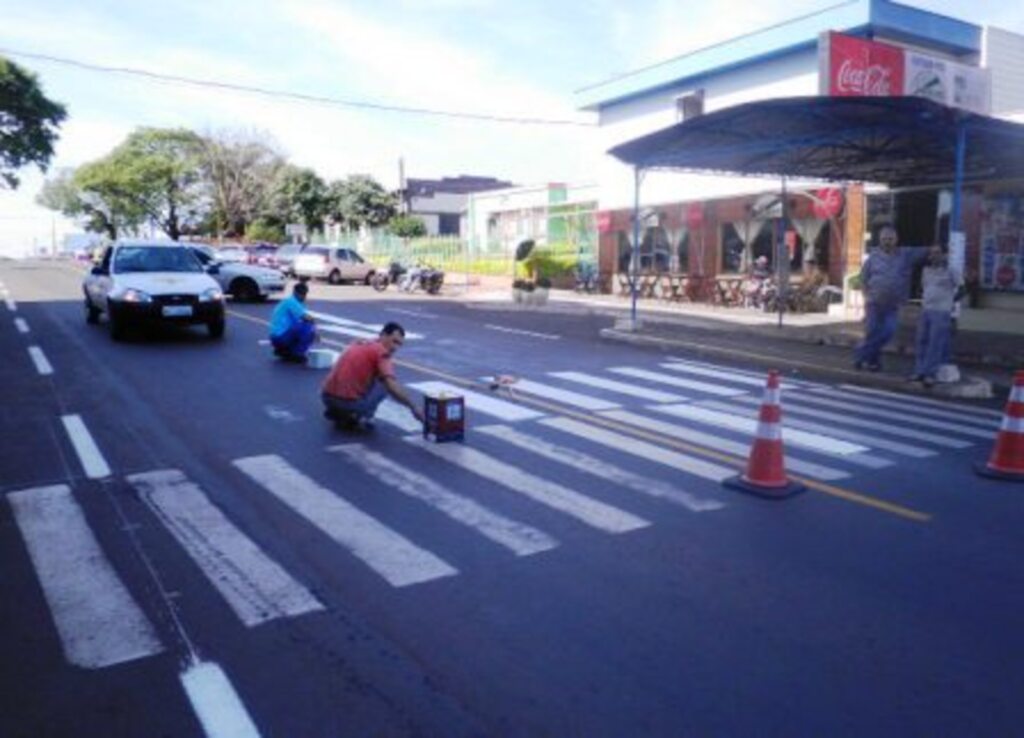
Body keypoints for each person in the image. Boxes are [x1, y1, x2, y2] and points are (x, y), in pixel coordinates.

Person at [854, 225, 930, 372]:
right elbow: (863, 278)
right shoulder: (873, 258)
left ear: (896, 239)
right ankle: (873, 363)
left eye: (890, 238)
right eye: (884, 239)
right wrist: (866, 296)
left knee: (888, 331)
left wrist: (945, 247)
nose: (887, 241)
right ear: (880, 240)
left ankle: (861, 355)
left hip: (893, 304)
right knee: (872, 332)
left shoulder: (905, 255)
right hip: (874, 303)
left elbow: (926, 251)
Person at [321, 322, 424, 428]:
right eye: (394, 341)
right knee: (384, 384)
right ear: (383, 335)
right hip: (347, 404)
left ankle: (337, 411)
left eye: (399, 344)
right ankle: (363, 416)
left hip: (327, 398)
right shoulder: (382, 352)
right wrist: (413, 407)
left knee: (375, 376)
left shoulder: (360, 342)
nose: (395, 348)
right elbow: (391, 386)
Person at [911, 245, 961, 388]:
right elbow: (924, 287)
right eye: (932, 253)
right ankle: (919, 371)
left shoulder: (951, 270)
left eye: (938, 253)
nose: (934, 256)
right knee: (922, 340)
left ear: (944, 255)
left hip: (941, 311)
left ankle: (930, 374)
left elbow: (962, 288)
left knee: (935, 343)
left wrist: (951, 301)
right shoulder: (926, 271)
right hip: (926, 309)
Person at [269, 282, 317, 363]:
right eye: (301, 294)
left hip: (276, 337)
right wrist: (315, 331)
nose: (304, 296)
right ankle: (298, 354)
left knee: (301, 327)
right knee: (308, 327)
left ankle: (284, 351)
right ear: (295, 293)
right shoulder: (292, 302)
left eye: (304, 294)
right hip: (281, 337)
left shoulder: (288, 301)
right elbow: (307, 318)